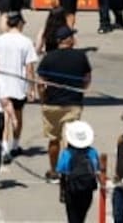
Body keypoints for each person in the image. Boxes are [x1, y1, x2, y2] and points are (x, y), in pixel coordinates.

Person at [37, 26, 92, 178]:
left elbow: (41, 83)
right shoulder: (80, 56)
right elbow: (87, 79)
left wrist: (43, 99)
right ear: (68, 40)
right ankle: (69, 170)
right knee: (71, 140)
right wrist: (81, 90)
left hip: (52, 104)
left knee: (53, 140)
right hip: (73, 103)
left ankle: (54, 170)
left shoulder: (49, 57)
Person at [0, 10, 37, 159]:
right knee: (17, 116)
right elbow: (29, 68)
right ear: (20, 23)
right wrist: (31, 88)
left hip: (0, 84)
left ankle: (3, 147)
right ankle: (14, 145)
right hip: (18, 85)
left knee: (4, 117)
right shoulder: (26, 41)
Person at [57, 121, 100, 223]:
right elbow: (96, 170)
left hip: (72, 190)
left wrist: (62, 193)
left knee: (72, 218)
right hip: (87, 190)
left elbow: (62, 173)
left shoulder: (67, 153)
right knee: (81, 216)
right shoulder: (92, 152)